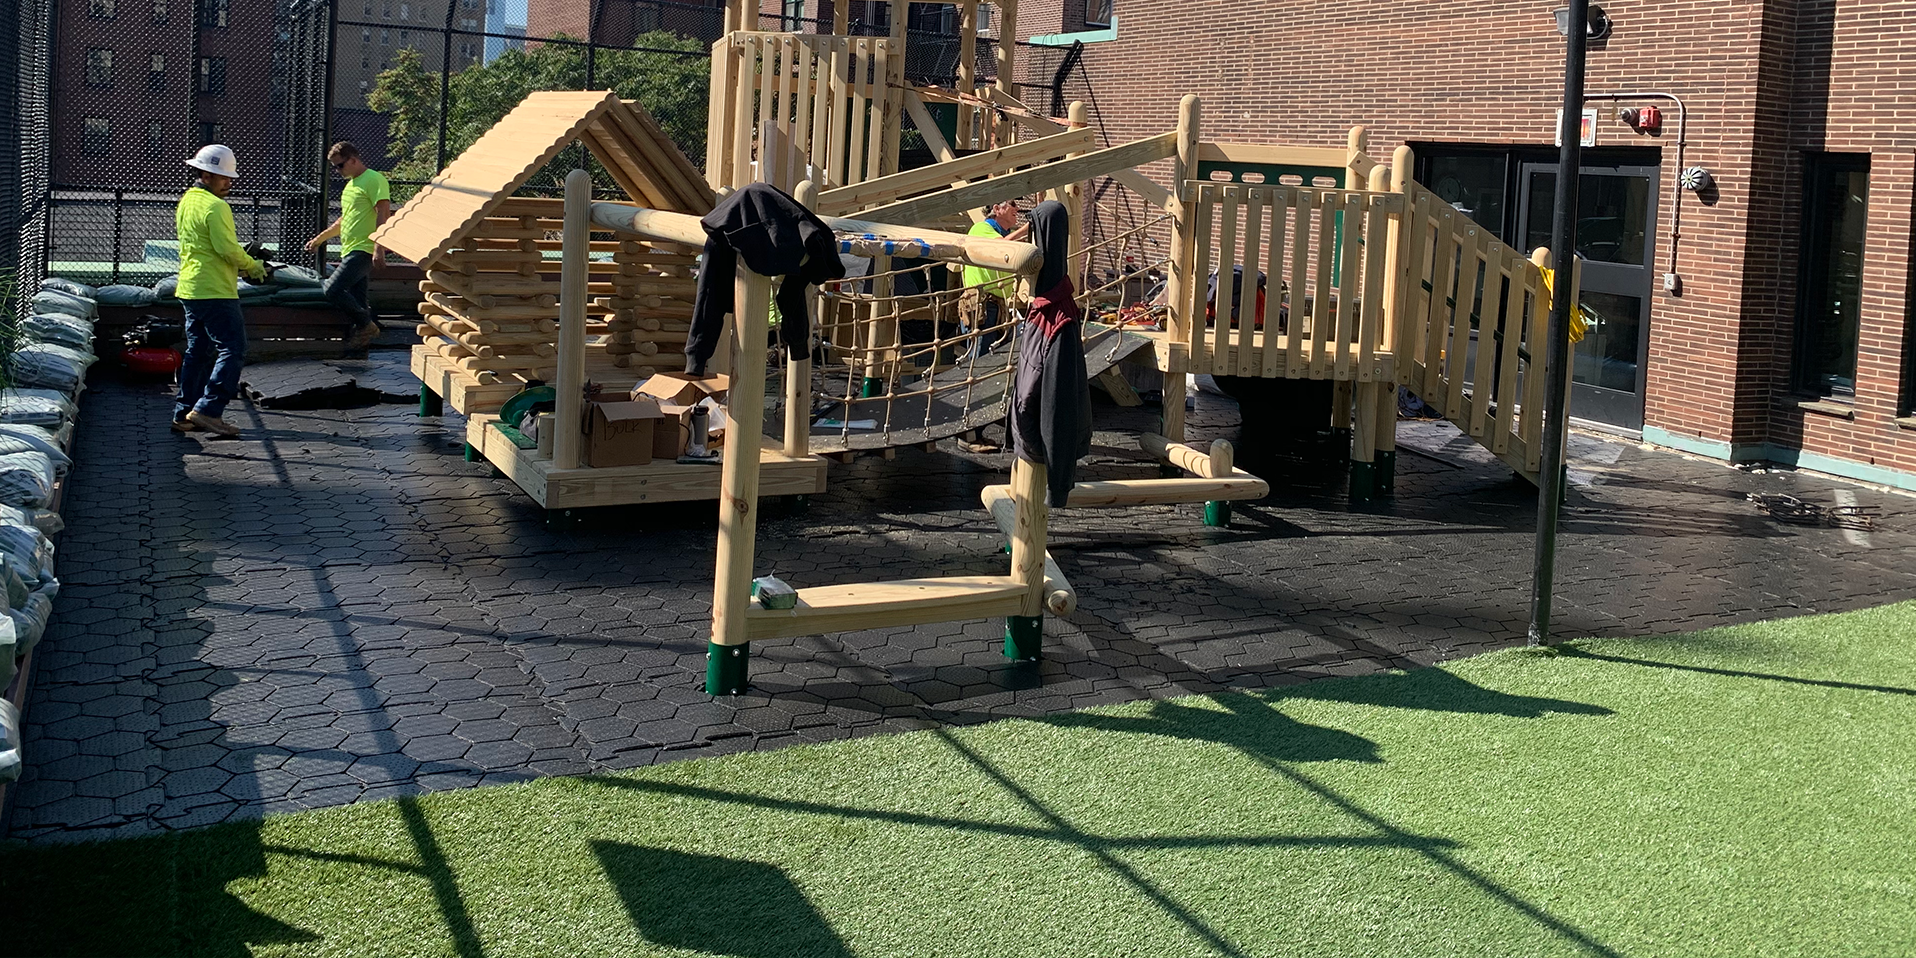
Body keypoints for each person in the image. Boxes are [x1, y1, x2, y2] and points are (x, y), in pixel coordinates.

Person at [173, 144, 267, 438]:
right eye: (221, 176)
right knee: (233, 348)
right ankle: (209, 410)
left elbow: (203, 246)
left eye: (228, 177)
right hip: (215, 290)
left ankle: (183, 414)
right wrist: (252, 265)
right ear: (204, 174)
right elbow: (227, 249)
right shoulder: (217, 207)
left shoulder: (188, 200)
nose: (228, 181)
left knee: (197, 351)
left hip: (190, 287)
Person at [305, 141, 391, 343]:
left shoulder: (374, 179)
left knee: (332, 289)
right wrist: (319, 239)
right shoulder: (350, 186)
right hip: (350, 248)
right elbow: (343, 221)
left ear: (353, 159)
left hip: (364, 248)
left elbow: (384, 212)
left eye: (340, 165)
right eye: (334, 167)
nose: (337, 171)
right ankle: (361, 343)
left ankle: (367, 324)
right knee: (358, 298)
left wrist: (378, 247)